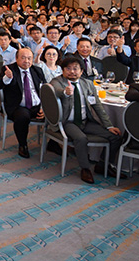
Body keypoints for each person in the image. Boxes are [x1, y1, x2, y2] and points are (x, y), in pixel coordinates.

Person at [50, 56, 122, 184]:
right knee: (81, 138)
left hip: (85, 121)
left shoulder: (87, 84)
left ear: (81, 71)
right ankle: (85, 168)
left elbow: (97, 106)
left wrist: (109, 126)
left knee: (115, 136)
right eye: (68, 69)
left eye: (75, 69)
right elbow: (57, 90)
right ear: (63, 70)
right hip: (68, 122)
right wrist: (66, 92)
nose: (72, 72)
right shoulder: (57, 81)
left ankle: (103, 165)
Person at [0, 48, 46, 158]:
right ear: (16, 58)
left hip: (37, 105)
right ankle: (23, 145)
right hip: (18, 106)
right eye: (23, 58)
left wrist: (44, 108)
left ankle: (54, 144)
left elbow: (45, 90)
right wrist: (7, 78)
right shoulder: (9, 69)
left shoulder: (37, 70)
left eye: (29, 58)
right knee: (22, 117)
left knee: (57, 114)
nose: (26, 61)